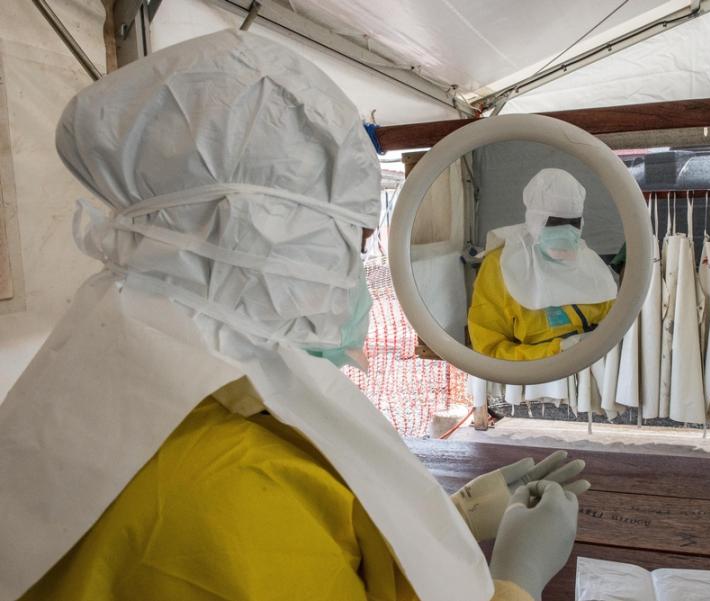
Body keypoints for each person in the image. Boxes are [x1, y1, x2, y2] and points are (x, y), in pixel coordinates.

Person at [0, 30, 586, 601]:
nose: (360, 286)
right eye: (349, 254)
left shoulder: (110, 390)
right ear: (271, 251)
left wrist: (444, 521)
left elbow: (318, 550)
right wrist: (515, 582)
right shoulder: (227, 489)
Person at [468, 169, 618, 360]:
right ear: (535, 220)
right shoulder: (501, 266)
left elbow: (615, 319)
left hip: (599, 369)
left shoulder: (588, 261)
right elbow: (489, 348)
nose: (566, 230)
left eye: (573, 222)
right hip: (537, 382)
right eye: (556, 222)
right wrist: (553, 353)